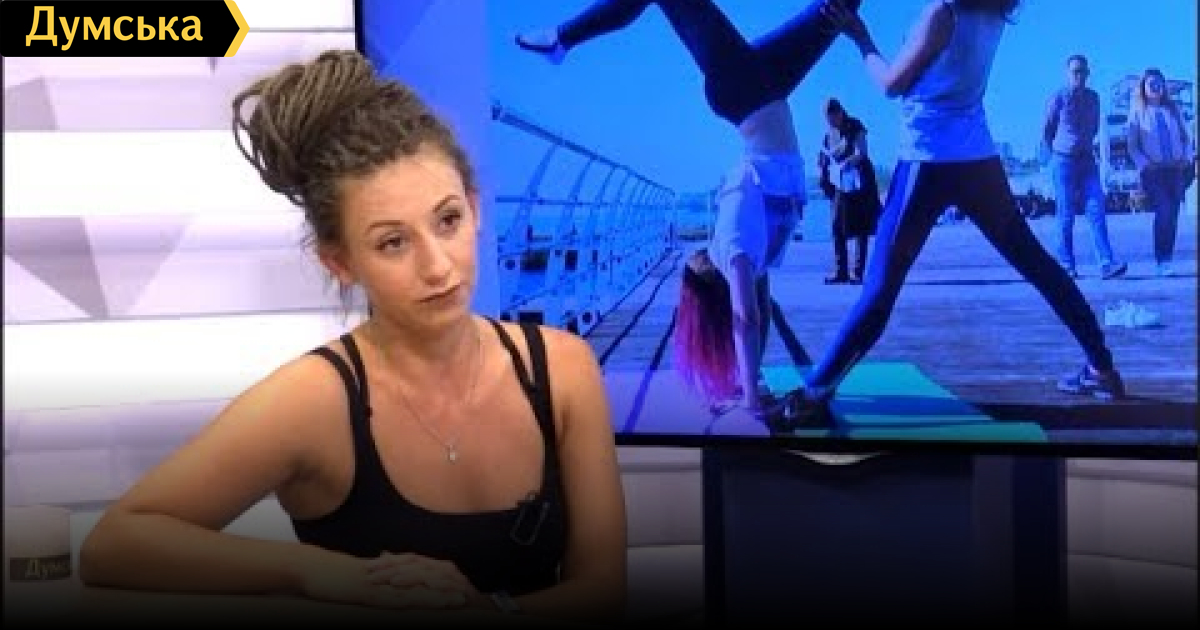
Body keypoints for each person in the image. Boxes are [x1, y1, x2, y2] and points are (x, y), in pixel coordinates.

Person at [78, 50, 627, 622]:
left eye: (448, 220)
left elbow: (604, 591)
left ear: (475, 208)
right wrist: (312, 572)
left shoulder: (563, 368)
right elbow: (114, 545)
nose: (438, 266)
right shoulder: (312, 400)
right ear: (339, 262)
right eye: (393, 242)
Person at [781, 0, 1127, 430]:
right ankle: (1102, 367)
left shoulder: (941, 12)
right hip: (978, 159)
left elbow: (892, 85)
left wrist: (860, 37)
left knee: (880, 287)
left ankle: (814, 394)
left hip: (927, 159)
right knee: (1036, 263)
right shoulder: (995, 8)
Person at [516, 0, 857, 421]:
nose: (692, 259)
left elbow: (750, 316)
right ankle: (561, 39)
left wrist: (751, 390)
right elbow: (751, 317)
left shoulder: (739, 250)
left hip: (748, 89)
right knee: (839, 7)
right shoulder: (740, 251)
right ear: (714, 282)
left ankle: (562, 40)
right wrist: (751, 393)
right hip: (755, 87)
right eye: (695, 269)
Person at [1042, 54, 1128, 280]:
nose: (1079, 76)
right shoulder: (1058, 98)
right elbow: (1047, 131)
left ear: (1088, 74)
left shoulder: (1093, 98)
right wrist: (1057, 155)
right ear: (1067, 73)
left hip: (1087, 161)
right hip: (1064, 161)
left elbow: (1094, 128)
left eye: (1083, 71)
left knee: (1097, 211)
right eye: (1075, 71)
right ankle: (1066, 265)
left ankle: (1107, 263)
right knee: (1065, 215)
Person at [1126, 67, 1192, 277]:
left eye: (1159, 83)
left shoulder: (1173, 109)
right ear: (1144, 88)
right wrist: (1144, 164)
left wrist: (1187, 156)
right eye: (1151, 84)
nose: (1155, 87)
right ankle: (1161, 260)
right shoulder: (1137, 112)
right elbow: (1132, 145)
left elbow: (1187, 137)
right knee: (1163, 211)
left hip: (1176, 170)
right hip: (1153, 172)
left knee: (1172, 216)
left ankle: (1167, 260)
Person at [818, 97, 881, 284]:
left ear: (839, 113)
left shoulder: (855, 126)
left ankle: (857, 272)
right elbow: (824, 157)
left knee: (861, 226)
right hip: (840, 183)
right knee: (837, 225)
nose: (831, 122)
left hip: (860, 182)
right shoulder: (829, 135)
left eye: (832, 118)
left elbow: (862, 153)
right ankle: (841, 271)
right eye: (827, 120)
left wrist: (848, 162)